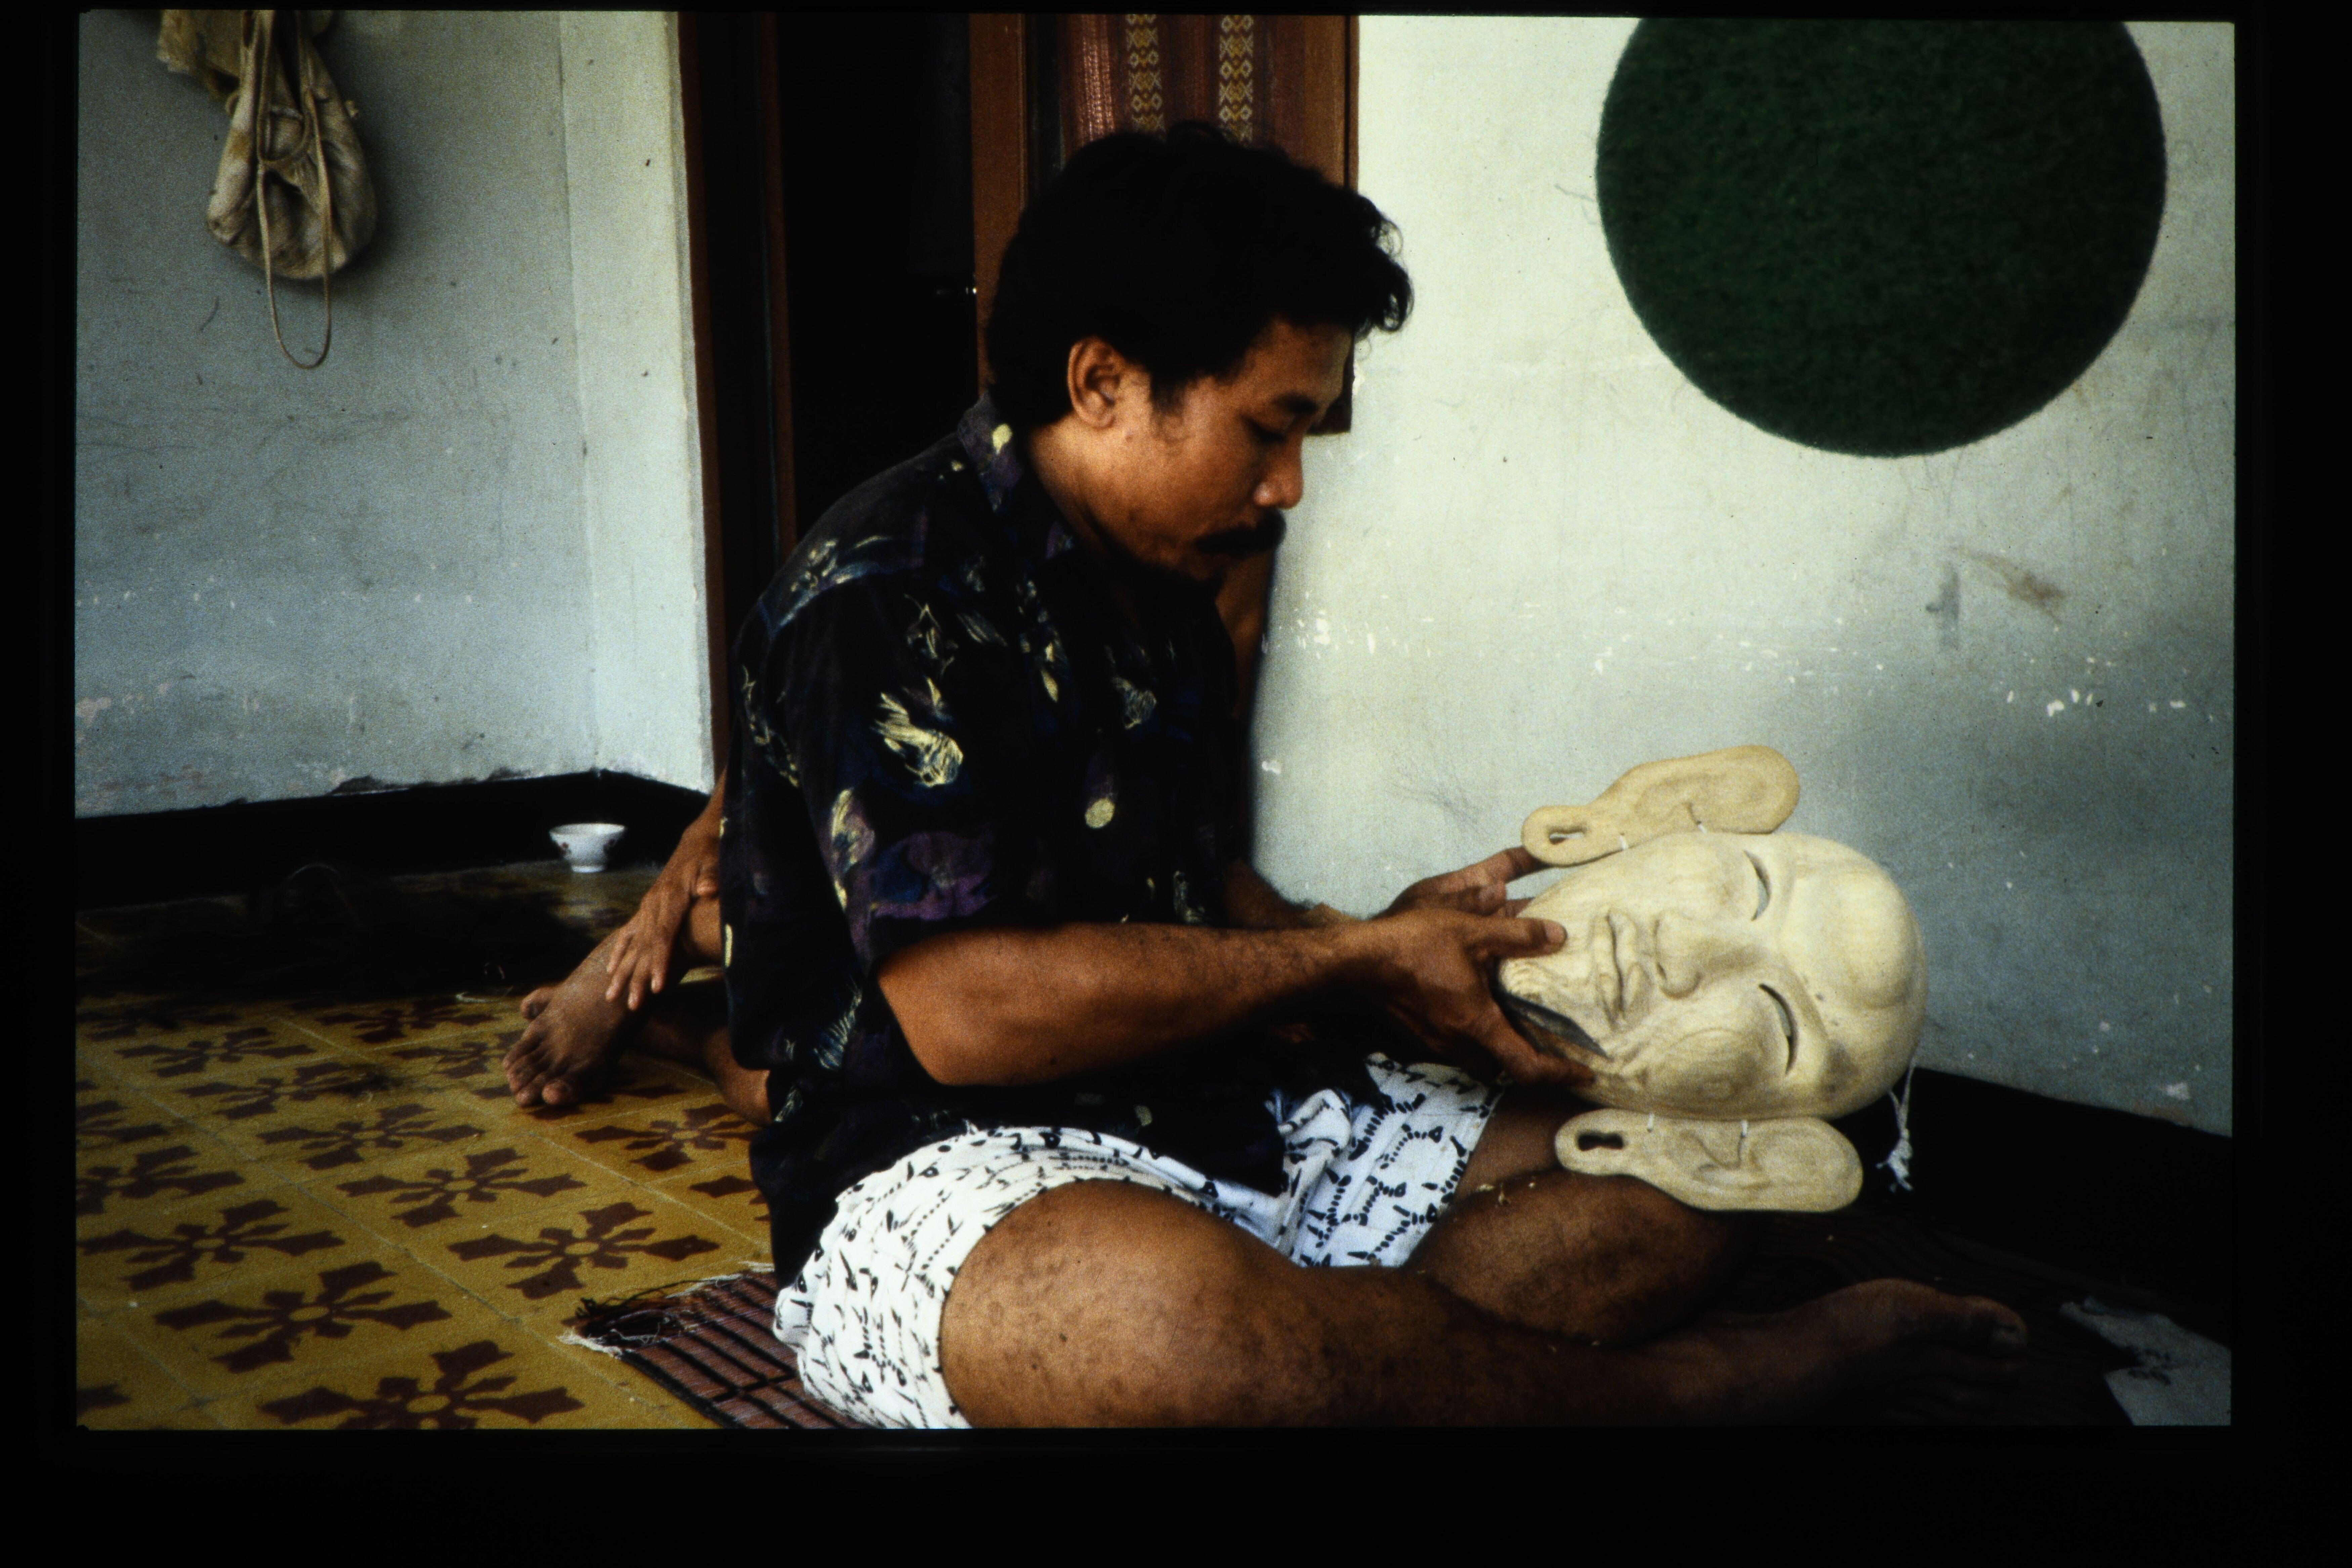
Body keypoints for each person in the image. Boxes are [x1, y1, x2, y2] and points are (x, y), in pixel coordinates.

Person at [509, 124, 2026, 1426]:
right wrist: (1347, 962)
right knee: (1174, 1337)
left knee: (1684, 1173)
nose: (1288, 483)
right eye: (1270, 428)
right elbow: (968, 1014)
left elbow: (1205, 887)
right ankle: (1705, 1388)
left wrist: (1379, 948)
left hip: (1221, 1112)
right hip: (936, 1164)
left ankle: (1369, 1370)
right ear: (1105, 382)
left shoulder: (1171, 574)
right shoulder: (890, 590)